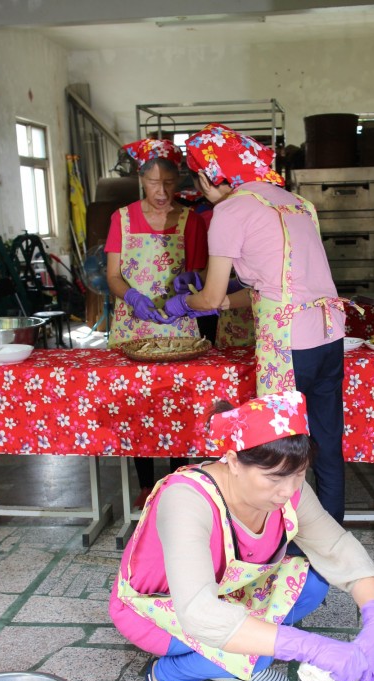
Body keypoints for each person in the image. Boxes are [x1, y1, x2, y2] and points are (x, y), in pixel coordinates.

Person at [109, 391, 374, 681]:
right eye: (273, 478)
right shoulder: (186, 499)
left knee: (313, 585)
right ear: (233, 461)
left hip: (228, 593)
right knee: (256, 655)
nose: (288, 490)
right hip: (157, 610)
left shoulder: (289, 489)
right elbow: (199, 612)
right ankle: (167, 674)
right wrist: (307, 646)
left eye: (298, 475)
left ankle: (231, 656)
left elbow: (337, 549)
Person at [164, 123, 347, 523]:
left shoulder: (230, 210)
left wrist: (182, 303)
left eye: (199, 176)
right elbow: (277, 285)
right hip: (330, 335)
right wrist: (223, 301)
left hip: (289, 345)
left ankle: (282, 542)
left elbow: (209, 297)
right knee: (327, 445)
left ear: (212, 175)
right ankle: (331, 538)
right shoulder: (297, 203)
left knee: (279, 451)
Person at [104, 137, 212, 503]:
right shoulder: (121, 218)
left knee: (177, 403)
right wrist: (132, 297)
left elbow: (198, 275)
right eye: (154, 183)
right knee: (136, 405)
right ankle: (145, 486)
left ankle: (178, 482)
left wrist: (189, 286)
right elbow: (113, 276)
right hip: (132, 326)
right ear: (141, 180)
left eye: (169, 183)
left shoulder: (191, 220)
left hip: (176, 325)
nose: (162, 191)